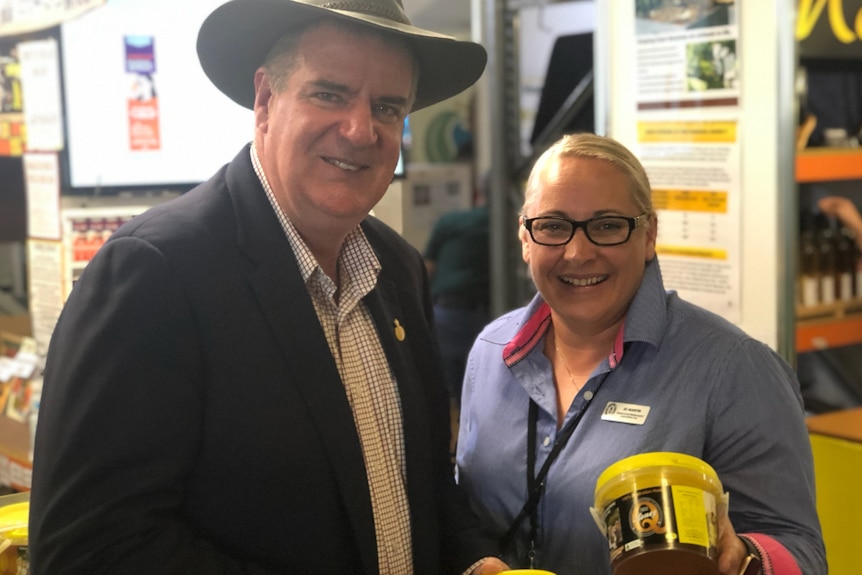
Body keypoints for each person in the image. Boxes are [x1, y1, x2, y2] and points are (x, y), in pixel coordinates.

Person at [28, 1, 505, 573]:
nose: (360, 129)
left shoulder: (396, 268)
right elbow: (92, 548)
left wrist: (477, 561)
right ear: (264, 101)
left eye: (386, 107)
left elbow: (421, 481)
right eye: (329, 93)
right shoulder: (155, 271)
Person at [456, 133, 827, 575]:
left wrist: (742, 558)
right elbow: (466, 506)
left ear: (648, 234)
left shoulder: (734, 369)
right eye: (553, 226)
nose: (577, 252)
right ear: (525, 238)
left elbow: (802, 552)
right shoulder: (490, 352)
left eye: (608, 225)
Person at [424, 200, 490, 407]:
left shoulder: (450, 221)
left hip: (447, 314)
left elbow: (426, 269)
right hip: (493, 316)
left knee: (447, 392)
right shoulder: (514, 225)